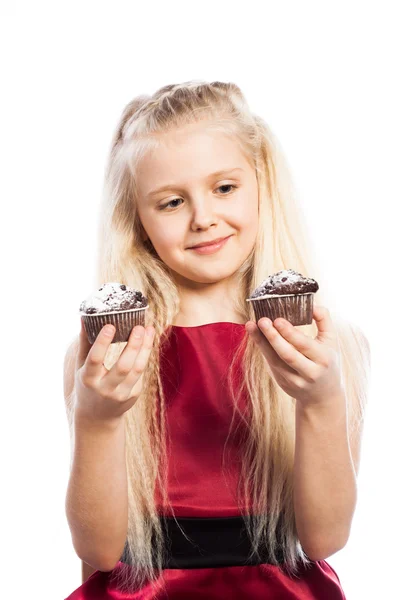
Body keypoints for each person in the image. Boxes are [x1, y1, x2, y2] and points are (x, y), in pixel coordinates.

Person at [63, 80, 371, 599]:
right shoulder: (104, 353)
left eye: (224, 188)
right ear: (137, 221)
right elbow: (97, 552)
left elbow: (325, 538)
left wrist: (320, 401)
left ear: (262, 185)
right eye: (172, 202)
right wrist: (96, 417)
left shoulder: (326, 344)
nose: (203, 218)